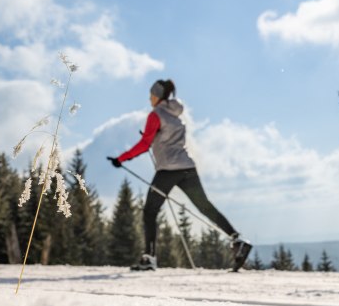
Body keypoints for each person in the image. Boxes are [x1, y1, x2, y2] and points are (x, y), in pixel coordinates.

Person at [108, 79, 252, 271]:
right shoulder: (176, 116)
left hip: (168, 170)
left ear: (157, 96)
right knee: (204, 206)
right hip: (187, 168)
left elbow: (144, 144)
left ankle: (149, 258)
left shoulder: (155, 115)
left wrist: (121, 159)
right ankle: (237, 239)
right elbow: (163, 139)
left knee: (150, 211)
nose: (149, 99)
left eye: (151, 95)